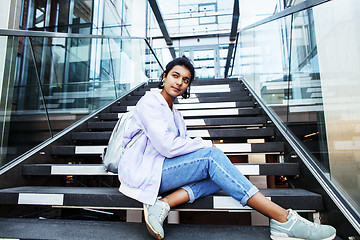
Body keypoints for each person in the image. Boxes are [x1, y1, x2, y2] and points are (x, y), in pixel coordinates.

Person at [118, 56, 336, 240]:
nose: (179, 83)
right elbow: (168, 147)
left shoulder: (175, 114)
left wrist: (198, 148)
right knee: (213, 157)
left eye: (185, 80)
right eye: (175, 76)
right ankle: (283, 219)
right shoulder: (149, 102)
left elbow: (180, 148)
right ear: (164, 76)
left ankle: (163, 204)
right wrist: (203, 144)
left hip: (161, 168)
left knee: (218, 175)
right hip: (143, 170)